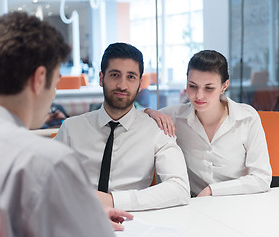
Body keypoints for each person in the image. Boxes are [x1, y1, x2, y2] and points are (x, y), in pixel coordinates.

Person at [0, 12, 132, 237]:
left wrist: (80, 212)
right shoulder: (46, 161)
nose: (54, 93)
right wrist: (86, 220)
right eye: (56, 80)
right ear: (40, 78)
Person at [54, 42, 190, 211]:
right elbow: (48, 182)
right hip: (80, 217)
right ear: (101, 78)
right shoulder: (71, 128)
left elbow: (179, 189)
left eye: (131, 77)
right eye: (115, 75)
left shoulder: (157, 129)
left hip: (133, 222)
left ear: (140, 83)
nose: (122, 86)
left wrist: (112, 201)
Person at [145, 50, 272, 197]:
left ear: (224, 86)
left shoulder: (247, 118)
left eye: (209, 88)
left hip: (239, 203)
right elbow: (135, 117)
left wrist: (212, 191)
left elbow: (261, 179)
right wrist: (151, 112)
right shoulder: (175, 116)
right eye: (192, 86)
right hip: (196, 208)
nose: (199, 95)